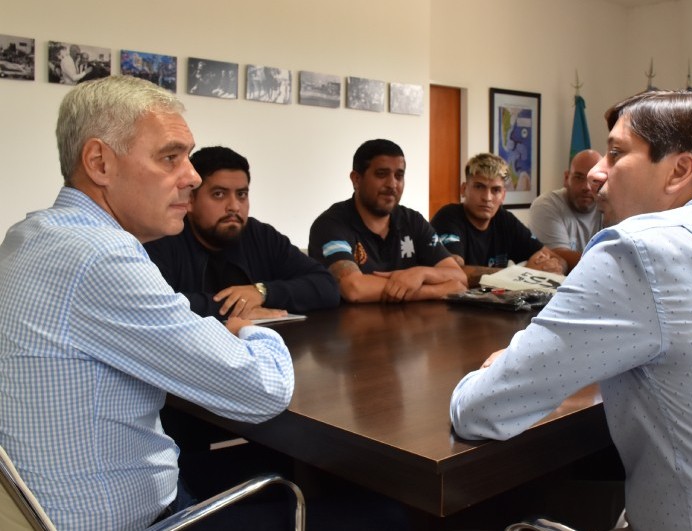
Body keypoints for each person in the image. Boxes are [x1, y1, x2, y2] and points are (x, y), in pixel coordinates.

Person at [450, 90, 692, 530]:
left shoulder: (638, 251)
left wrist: (500, 365)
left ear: (680, 170)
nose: (596, 172)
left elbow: (482, 410)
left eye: (616, 154)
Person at [0, 75, 294, 530]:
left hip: (55, 505)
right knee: (377, 511)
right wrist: (250, 327)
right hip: (133, 519)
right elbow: (263, 390)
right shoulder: (99, 256)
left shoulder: (29, 235)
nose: (192, 177)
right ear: (99, 162)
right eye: (170, 157)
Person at [145, 145, 340, 320]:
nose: (234, 207)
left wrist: (263, 292)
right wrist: (235, 309)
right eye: (219, 194)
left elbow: (327, 287)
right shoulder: (161, 237)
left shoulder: (261, 236)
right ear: (190, 200)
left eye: (242, 194)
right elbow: (154, 306)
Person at [308, 138, 467, 302]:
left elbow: (459, 278)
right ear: (356, 179)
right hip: (348, 326)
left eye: (399, 176)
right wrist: (437, 290)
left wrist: (421, 273)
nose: (392, 184)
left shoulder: (413, 221)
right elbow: (354, 289)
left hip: (411, 325)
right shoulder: (329, 224)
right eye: (381, 174)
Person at [431, 153, 567, 287]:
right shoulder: (448, 217)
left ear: (503, 195)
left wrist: (550, 266)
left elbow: (560, 260)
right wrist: (523, 274)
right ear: (464, 189)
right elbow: (453, 273)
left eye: (495, 190)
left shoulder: (505, 220)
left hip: (495, 303)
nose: (487, 197)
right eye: (479, 187)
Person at [528, 148, 603, 271]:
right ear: (566, 178)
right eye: (579, 177)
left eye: (594, 180)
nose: (586, 187)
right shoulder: (546, 205)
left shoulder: (610, 206)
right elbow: (558, 257)